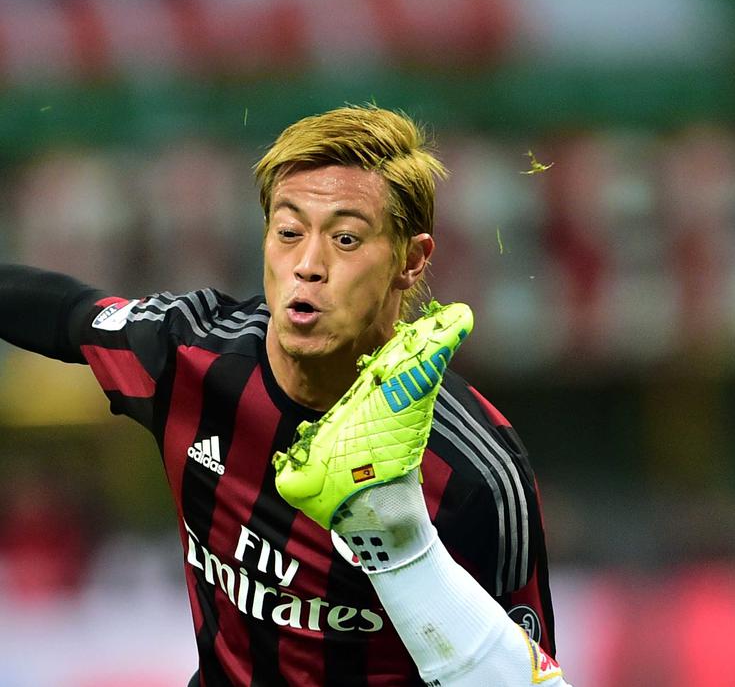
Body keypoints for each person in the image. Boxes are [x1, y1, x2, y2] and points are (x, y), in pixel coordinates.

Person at [0, 105, 568, 686]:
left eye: (346, 239)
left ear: (412, 259)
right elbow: (68, 314)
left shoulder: (477, 471)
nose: (308, 265)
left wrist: (406, 547)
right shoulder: (189, 356)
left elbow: (531, 674)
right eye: (289, 232)